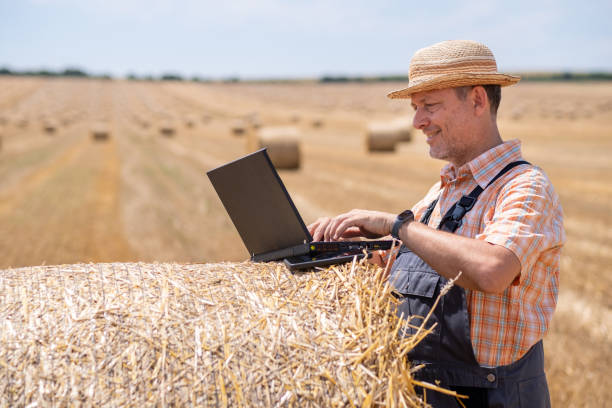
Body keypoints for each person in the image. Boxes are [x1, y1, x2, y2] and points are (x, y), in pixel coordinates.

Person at [308, 40, 565, 407]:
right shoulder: (437, 195)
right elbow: (401, 282)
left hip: (491, 399)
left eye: (429, 106)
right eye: (415, 108)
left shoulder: (524, 187)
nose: (417, 122)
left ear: (477, 100)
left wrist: (395, 225)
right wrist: (352, 248)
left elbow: (492, 270)